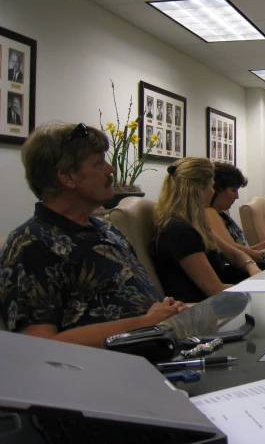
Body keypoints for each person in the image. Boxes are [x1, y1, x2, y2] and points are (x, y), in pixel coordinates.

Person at [0, 122, 185, 348]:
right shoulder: (32, 243)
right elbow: (38, 345)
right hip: (106, 372)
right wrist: (147, 322)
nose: (110, 169)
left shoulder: (105, 228)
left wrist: (166, 310)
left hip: (160, 346)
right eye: (98, 163)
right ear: (67, 177)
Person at [151, 157, 262, 303]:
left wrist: (252, 267)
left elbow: (234, 254)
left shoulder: (193, 223)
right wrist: (259, 289)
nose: (213, 192)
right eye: (212, 186)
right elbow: (215, 290)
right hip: (200, 309)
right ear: (197, 190)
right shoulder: (179, 230)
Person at [205, 161, 265, 264]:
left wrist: (262, 246)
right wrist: (262, 254)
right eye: (234, 190)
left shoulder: (221, 213)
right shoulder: (209, 212)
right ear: (218, 189)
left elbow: (236, 249)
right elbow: (232, 251)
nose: (237, 196)